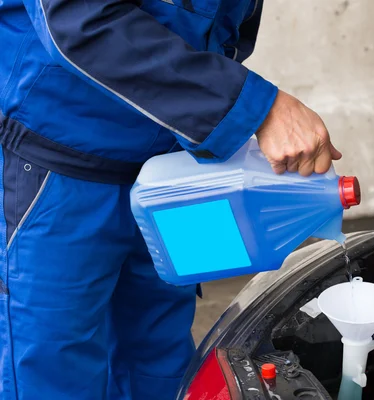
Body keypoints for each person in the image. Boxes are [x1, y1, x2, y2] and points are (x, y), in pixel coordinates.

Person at [0, 0, 342, 399]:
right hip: (59, 171)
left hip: (171, 172)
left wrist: (213, 116)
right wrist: (255, 107)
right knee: (55, 374)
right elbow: (79, 18)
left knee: (162, 368)